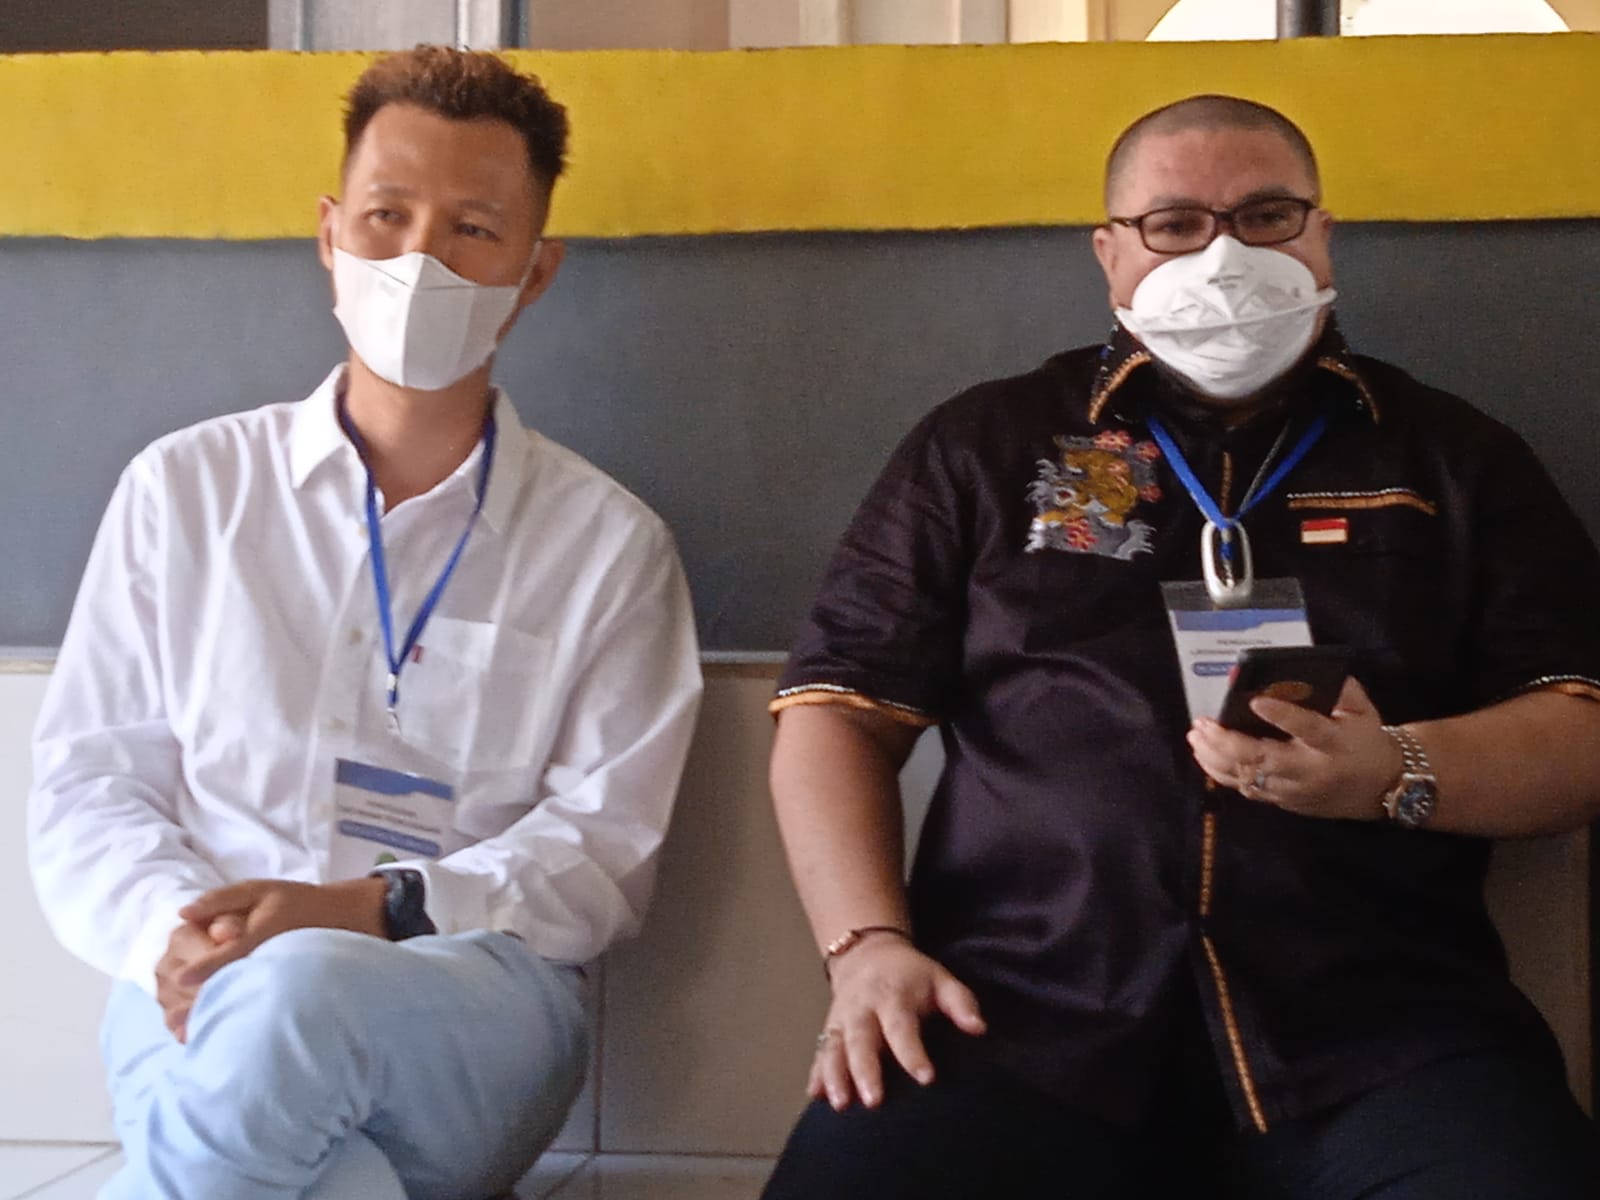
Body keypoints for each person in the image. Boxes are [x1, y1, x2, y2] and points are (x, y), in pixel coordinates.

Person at [760, 94, 1600, 1199]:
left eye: (1266, 217)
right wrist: (865, 946)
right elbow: (837, 711)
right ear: (1110, 253)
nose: (1224, 256)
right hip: (1016, 1017)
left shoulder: (1454, 458)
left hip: (1386, 1032)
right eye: (1175, 225)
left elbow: (1577, 728)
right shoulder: (985, 444)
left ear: (1322, 235)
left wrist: (1395, 769)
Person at [28, 46, 702, 1200]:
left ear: (535, 271)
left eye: (472, 229)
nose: (420, 259)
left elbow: (603, 855)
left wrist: (370, 911)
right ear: (329, 233)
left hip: (471, 1005)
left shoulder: (607, 546)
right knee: (327, 1163)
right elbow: (90, 782)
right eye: (388, 215)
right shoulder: (183, 493)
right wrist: (175, 936)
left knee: (302, 990)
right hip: (190, 983)